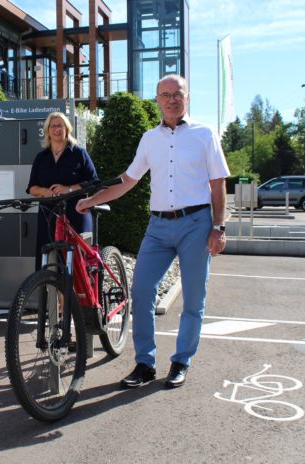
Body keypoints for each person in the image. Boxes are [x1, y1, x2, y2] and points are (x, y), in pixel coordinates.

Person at [76, 74, 230, 389]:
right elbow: (128, 180)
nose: (172, 99)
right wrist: (92, 200)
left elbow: (218, 184)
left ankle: (181, 360)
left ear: (187, 97)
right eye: (165, 94)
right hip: (158, 226)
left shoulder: (205, 135)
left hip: (196, 224)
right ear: (157, 99)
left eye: (178, 93)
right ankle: (144, 364)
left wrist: (218, 227)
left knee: (193, 299)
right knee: (142, 291)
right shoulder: (150, 139)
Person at [27, 112, 98, 269]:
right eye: (53, 126)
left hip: (76, 213)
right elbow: (32, 188)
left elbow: (93, 182)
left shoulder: (79, 153)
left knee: (78, 264)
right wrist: (46, 192)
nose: (56, 129)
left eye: (60, 125)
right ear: (47, 130)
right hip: (48, 215)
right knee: (48, 262)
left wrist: (68, 189)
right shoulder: (41, 157)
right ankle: (50, 292)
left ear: (67, 129)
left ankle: (75, 294)